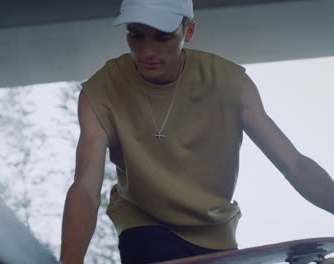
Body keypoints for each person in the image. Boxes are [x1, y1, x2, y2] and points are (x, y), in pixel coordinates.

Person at [60, 0, 334, 263]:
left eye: (162, 37)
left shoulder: (229, 84)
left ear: (188, 31)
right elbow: (85, 188)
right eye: (136, 35)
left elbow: (293, 164)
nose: (147, 52)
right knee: (149, 242)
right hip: (143, 225)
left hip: (215, 230)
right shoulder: (100, 91)